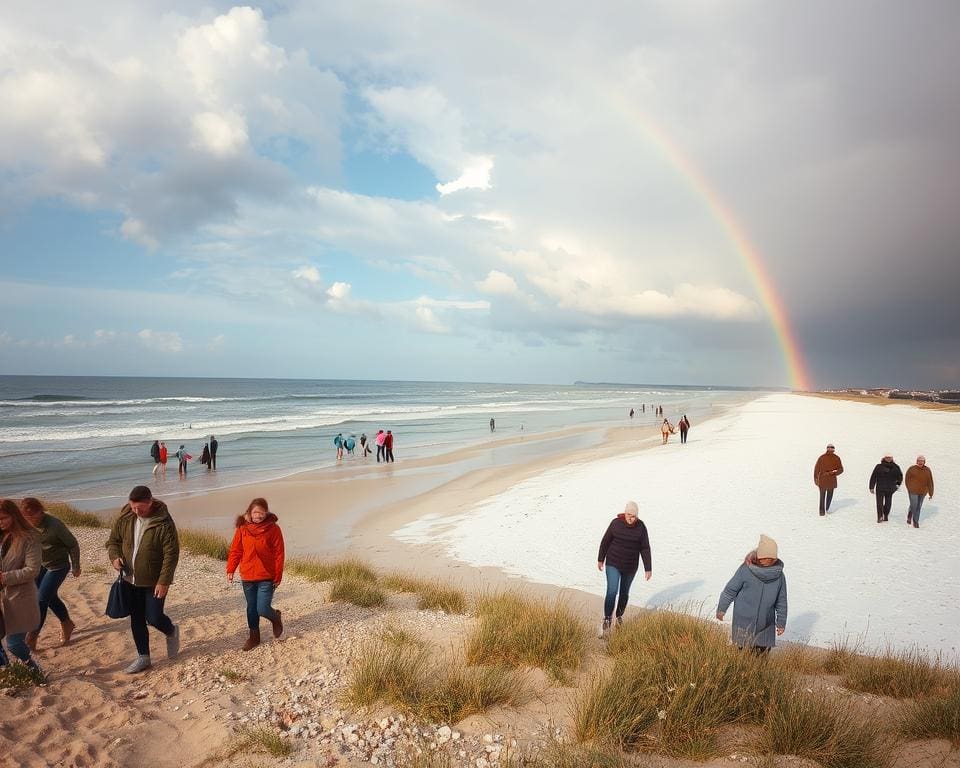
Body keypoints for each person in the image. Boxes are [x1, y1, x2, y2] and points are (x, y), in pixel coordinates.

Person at [106, 486, 180, 674]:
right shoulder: (125, 517)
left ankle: (171, 631)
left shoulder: (164, 522)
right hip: (130, 579)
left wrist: (164, 581)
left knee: (154, 617)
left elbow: (171, 554)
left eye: (140, 508)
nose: (136, 512)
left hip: (154, 580)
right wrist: (115, 557)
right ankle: (143, 657)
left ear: (150, 502)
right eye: (133, 507)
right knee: (136, 618)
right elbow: (113, 541)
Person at [20, 498, 80, 653]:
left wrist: (75, 565)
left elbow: (72, 544)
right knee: (49, 596)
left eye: (33, 516)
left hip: (58, 565)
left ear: (41, 511)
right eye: (27, 518)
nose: (31, 520)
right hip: (41, 565)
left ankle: (32, 637)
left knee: (41, 600)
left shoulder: (55, 525)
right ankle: (67, 623)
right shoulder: (24, 525)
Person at [226, 497, 285, 651]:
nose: (259, 516)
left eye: (262, 513)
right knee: (251, 608)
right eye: (256, 512)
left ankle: (275, 617)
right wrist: (231, 569)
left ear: (266, 513)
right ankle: (254, 637)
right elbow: (236, 550)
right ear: (250, 513)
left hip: (267, 575)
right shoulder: (242, 528)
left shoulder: (273, 529)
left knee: (262, 608)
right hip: (247, 575)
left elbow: (279, 554)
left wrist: (278, 576)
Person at [716, 535, 787, 653]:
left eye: (772, 558)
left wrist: (781, 623)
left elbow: (781, 601)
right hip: (743, 622)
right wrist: (721, 609)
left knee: (760, 657)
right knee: (742, 654)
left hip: (766, 623)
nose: (770, 561)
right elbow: (730, 590)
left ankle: (757, 671)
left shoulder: (779, 575)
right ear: (761, 556)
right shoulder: (746, 570)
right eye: (767, 558)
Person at [596, 501, 652, 636]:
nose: (630, 518)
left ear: (637, 516)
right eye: (628, 514)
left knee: (624, 593)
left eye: (633, 516)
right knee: (612, 591)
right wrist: (600, 558)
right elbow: (605, 541)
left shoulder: (641, 527)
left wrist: (648, 568)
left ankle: (619, 616)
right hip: (613, 563)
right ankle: (607, 618)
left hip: (630, 566)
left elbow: (645, 548)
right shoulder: (615, 523)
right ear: (625, 513)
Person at [0, 499, 43, 673]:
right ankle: (7, 670)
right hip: (2, 596)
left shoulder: (29, 536)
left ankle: (32, 667)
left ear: (14, 516)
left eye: (3, 518)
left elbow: (33, 570)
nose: (0, 522)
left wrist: (4, 577)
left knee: (14, 644)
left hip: (20, 597)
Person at [869, 454, 903, 523]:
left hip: (890, 488)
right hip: (880, 488)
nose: (888, 459)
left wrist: (898, 484)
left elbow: (900, 476)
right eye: (887, 457)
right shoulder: (879, 466)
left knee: (888, 504)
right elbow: (874, 476)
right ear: (884, 458)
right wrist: (871, 487)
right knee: (879, 503)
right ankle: (880, 517)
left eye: (889, 457)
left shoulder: (896, 467)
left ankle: (886, 514)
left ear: (892, 458)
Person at [813, 443, 844, 516]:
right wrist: (834, 472)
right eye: (829, 448)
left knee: (822, 496)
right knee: (829, 495)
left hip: (823, 479)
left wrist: (816, 479)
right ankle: (826, 509)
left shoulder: (822, 457)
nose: (830, 449)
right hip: (830, 480)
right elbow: (841, 469)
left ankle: (822, 511)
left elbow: (816, 470)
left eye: (831, 448)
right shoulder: (836, 458)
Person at [904, 455, 934, 529]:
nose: (920, 462)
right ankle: (913, 518)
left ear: (924, 462)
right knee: (914, 505)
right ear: (917, 461)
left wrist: (931, 492)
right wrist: (910, 488)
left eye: (922, 461)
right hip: (913, 491)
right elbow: (907, 479)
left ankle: (913, 518)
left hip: (923, 492)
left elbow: (930, 481)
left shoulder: (927, 470)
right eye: (919, 461)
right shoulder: (912, 469)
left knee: (918, 506)